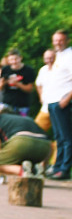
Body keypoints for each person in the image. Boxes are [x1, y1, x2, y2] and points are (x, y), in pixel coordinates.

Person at [45, 30, 72, 181]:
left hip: (62, 101)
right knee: (58, 137)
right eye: (55, 40)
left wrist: (67, 99)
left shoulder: (70, 55)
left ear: (67, 40)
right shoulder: (57, 56)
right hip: (52, 100)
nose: (57, 43)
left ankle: (64, 169)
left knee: (66, 137)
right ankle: (57, 166)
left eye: (60, 40)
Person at [0, 49, 36, 117]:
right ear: (8, 60)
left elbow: (30, 89)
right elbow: (0, 87)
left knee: (22, 125)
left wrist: (17, 84)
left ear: (20, 58)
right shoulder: (5, 69)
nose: (14, 62)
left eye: (16, 59)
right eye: (11, 59)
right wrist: (4, 82)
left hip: (22, 105)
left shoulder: (28, 70)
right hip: (7, 103)